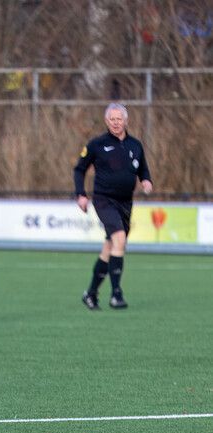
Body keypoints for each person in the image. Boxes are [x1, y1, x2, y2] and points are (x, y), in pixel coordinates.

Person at [74, 102, 152, 310]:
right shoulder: (97, 144)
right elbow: (79, 169)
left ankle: (90, 294)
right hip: (104, 200)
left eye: (119, 119)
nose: (116, 123)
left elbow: (143, 169)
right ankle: (116, 294)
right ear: (106, 121)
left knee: (110, 248)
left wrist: (146, 180)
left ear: (126, 121)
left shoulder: (135, 145)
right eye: (112, 119)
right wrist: (81, 194)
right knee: (119, 239)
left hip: (126, 202)